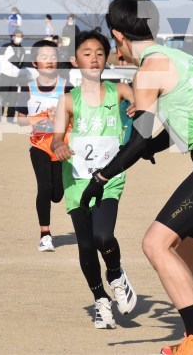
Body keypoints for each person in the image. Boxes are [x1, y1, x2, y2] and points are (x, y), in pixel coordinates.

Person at [78, 0, 193, 355]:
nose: (116, 51)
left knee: (155, 244)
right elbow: (182, 121)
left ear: (118, 35)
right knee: (186, 248)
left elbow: (139, 138)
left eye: (113, 43)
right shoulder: (178, 57)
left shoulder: (148, 70)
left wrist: (101, 177)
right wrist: (150, 146)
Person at [50, 30, 138, 329]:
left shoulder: (120, 90)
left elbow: (144, 107)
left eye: (100, 53)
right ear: (75, 61)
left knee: (103, 237)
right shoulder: (67, 100)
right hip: (77, 179)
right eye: (87, 53)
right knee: (86, 245)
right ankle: (100, 300)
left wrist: (137, 108)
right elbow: (57, 138)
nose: (94, 58)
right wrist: (59, 146)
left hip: (109, 177)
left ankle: (115, 273)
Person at [15, 41, 70, 252]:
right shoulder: (28, 88)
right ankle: (45, 235)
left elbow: (77, 114)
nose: (49, 61)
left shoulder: (67, 87)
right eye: (44, 57)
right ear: (35, 62)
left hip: (61, 145)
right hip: (39, 144)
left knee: (57, 195)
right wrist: (40, 119)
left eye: (53, 57)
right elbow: (20, 120)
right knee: (44, 187)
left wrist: (61, 117)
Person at [0, 31, 27, 123]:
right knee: (3, 96)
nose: (19, 38)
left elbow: (21, 63)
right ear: (13, 37)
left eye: (20, 36)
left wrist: (18, 72)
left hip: (15, 77)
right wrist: (0, 72)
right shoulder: (6, 46)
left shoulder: (22, 50)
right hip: (5, 75)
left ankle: (10, 118)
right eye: (17, 36)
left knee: (13, 98)